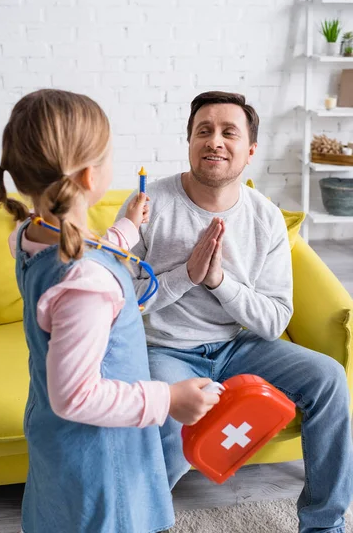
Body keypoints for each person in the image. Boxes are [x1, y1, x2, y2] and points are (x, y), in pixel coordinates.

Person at [0, 89, 220, 533]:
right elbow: (75, 395)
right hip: (100, 450)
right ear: (91, 176)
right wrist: (168, 398)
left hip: (59, 440)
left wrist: (126, 229)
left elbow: (81, 250)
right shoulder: (85, 284)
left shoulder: (30, 235)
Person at [118, 91, 353, 533]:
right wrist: (186, 275)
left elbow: (274, 320)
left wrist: (219, 283)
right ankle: (137, 522)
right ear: (189, 142)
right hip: (166, 348)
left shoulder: (266, 218)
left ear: (250, 151)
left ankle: (324, 525)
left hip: (237, 346)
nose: (215, 141)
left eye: (229, 132)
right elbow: (121, 302)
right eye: (203, 131)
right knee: (163, 416)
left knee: (329, 379)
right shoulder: (148, 205)